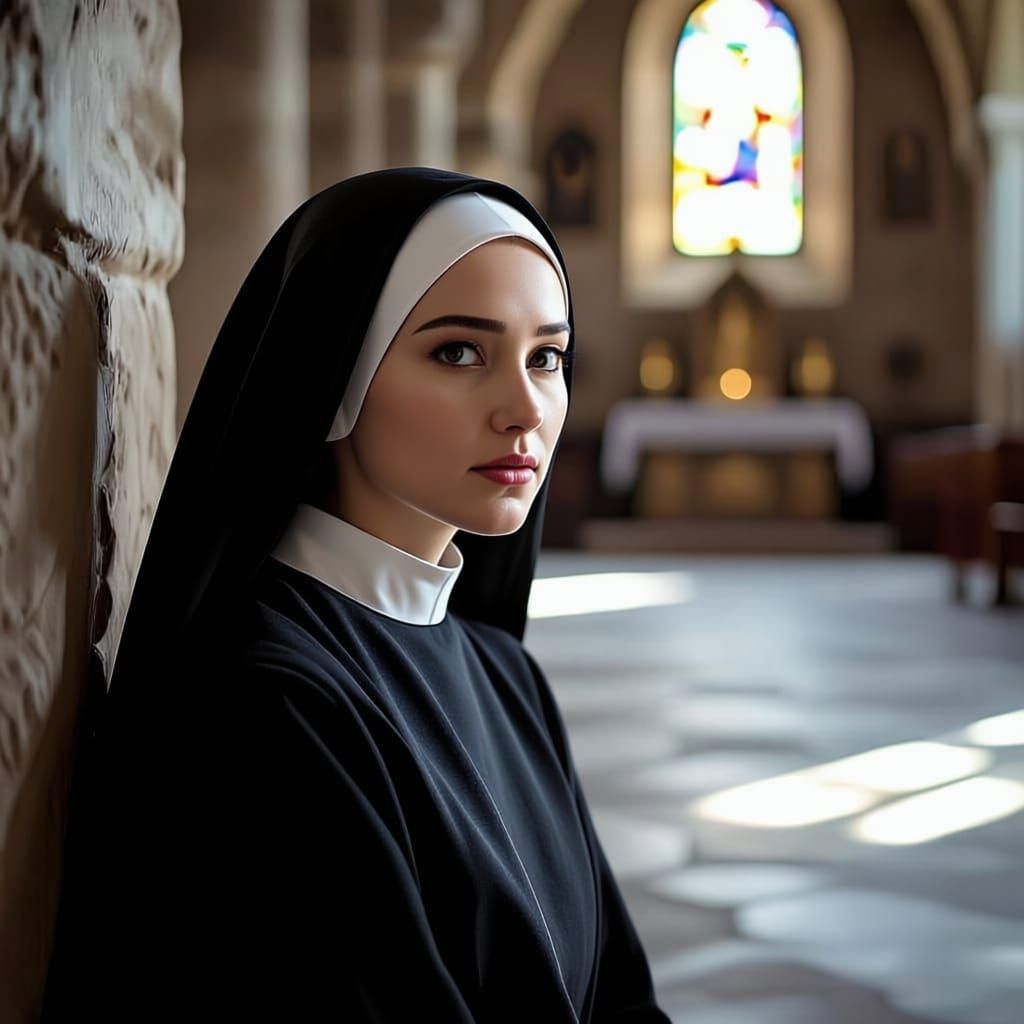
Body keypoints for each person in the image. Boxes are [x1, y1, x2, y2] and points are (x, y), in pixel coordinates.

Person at [41, 167, 671, 1022]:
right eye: (459, 352)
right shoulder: (264, 700)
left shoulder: (506, 672)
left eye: (546, 358)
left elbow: (622, 998)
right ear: (336, 372)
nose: (525, 409)